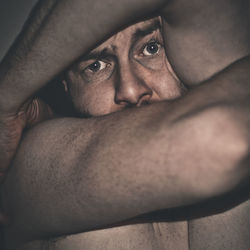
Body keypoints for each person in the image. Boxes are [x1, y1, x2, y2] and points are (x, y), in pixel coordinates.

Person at [1, 0, 250, 249]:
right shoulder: (33, 162)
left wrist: (7, 97)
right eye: (95, 66)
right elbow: (224, 134)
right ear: (66, 87)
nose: (130, 90)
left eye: (151, 48)